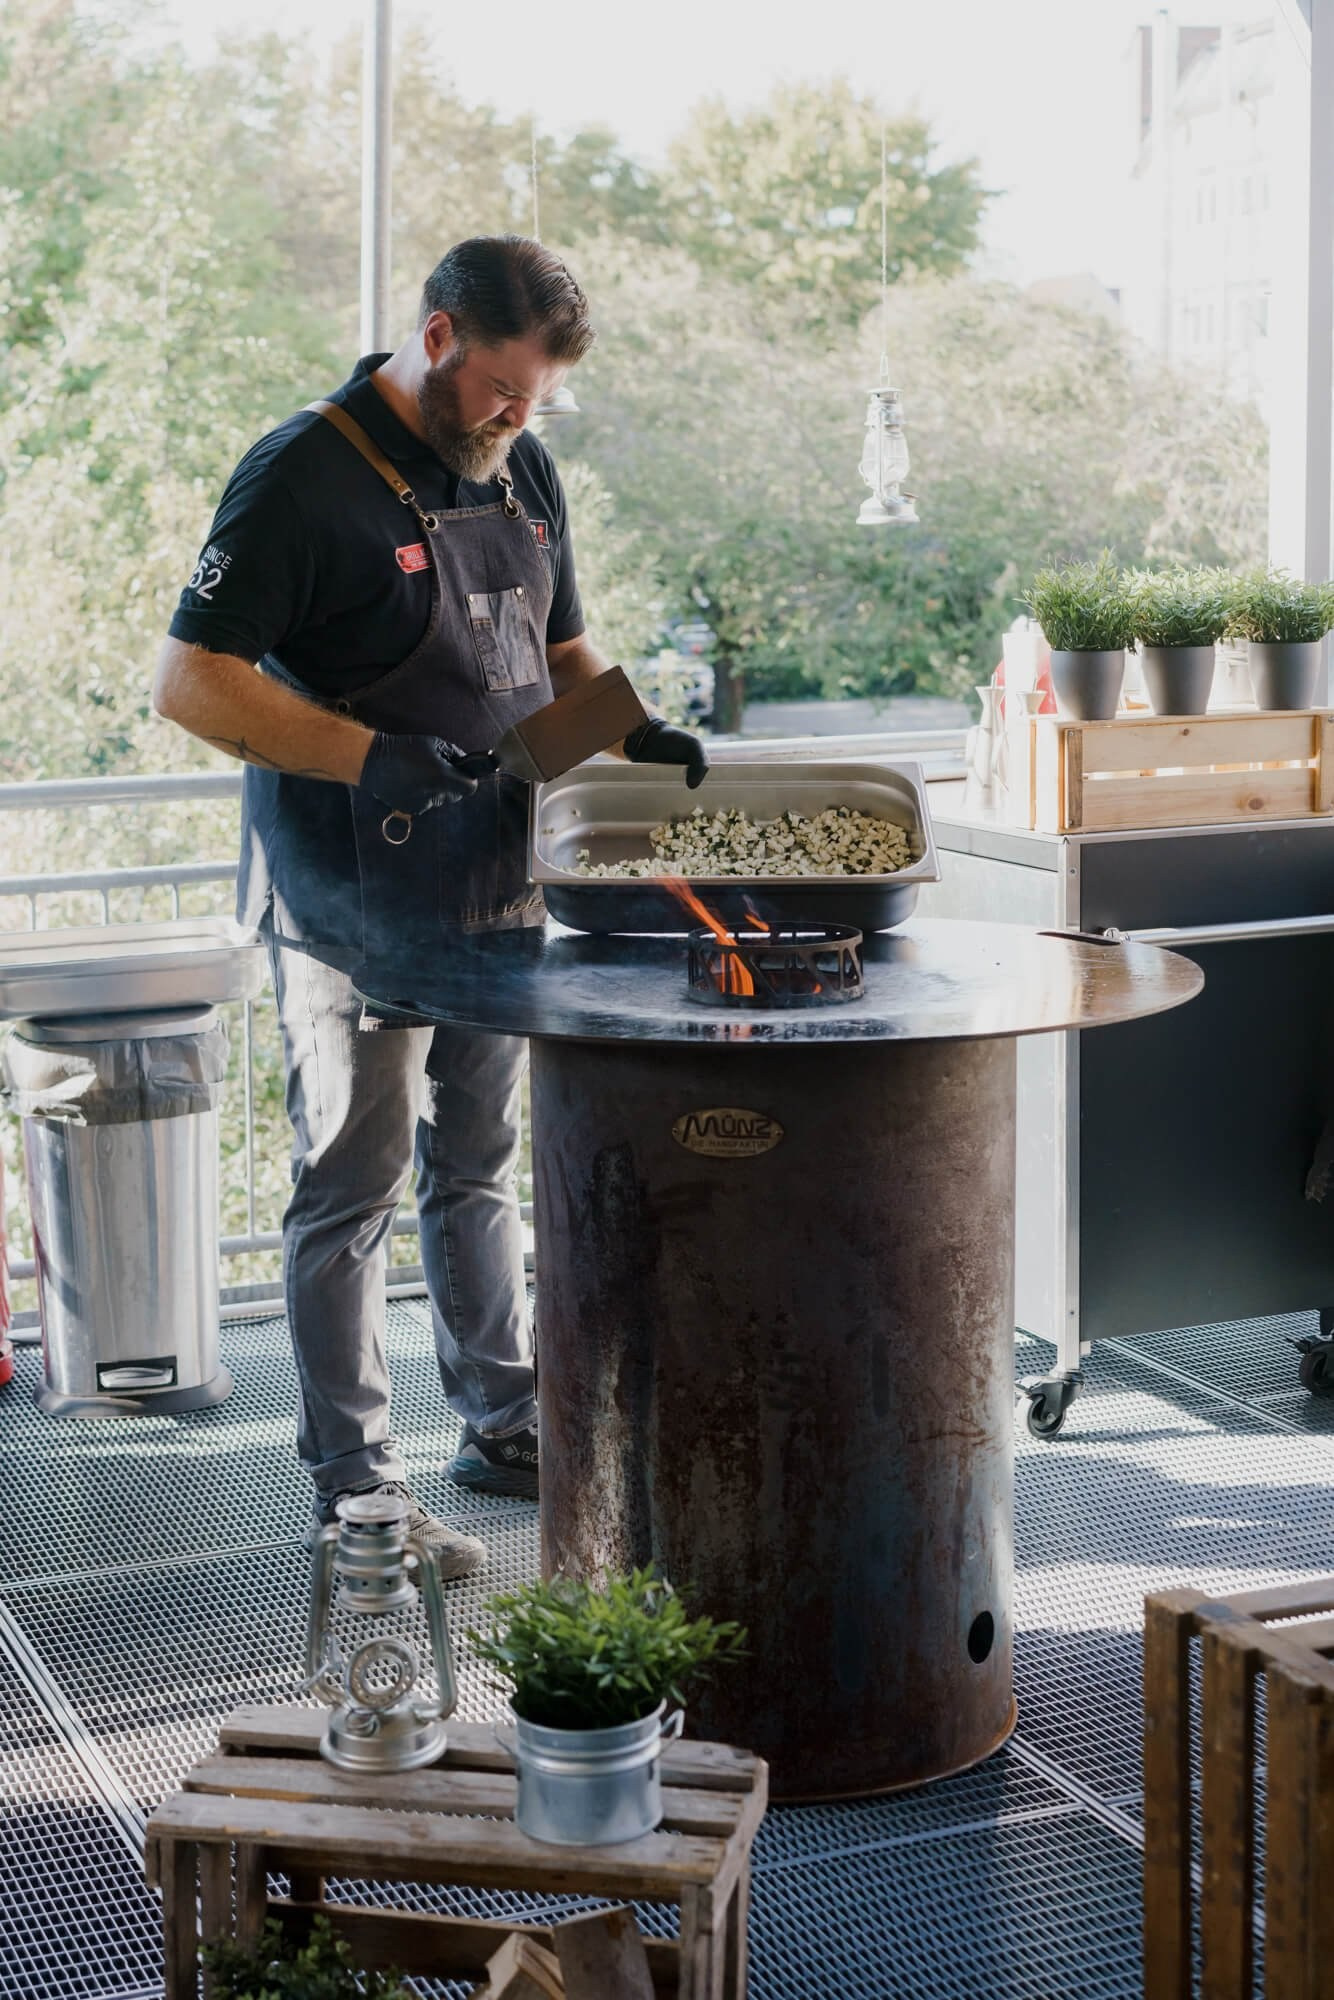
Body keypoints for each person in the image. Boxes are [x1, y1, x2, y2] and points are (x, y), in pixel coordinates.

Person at [153, 236, 709, 1578]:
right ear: (440, 336)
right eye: (505, 390)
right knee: (350, 1184)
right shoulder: (302, 471)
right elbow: (191, 683)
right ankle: (353, 1479)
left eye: (539, 402)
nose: (520, 419)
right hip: (346, 895)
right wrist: (375, 758)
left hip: (495, 879)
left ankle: (501, 1420)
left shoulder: (517, 465)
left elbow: (558, 651)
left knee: (477, 1166)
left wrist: (635, 740)